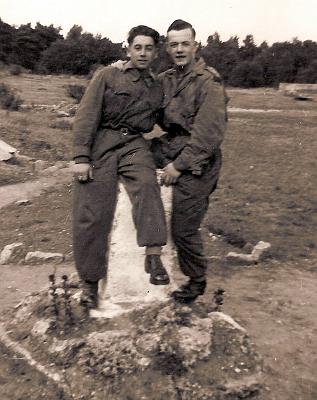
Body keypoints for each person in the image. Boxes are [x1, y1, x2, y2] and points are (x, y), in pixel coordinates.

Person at [72, 25, 170, 310]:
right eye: (137, 47)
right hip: (102, 141)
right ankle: (89, 283)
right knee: (91, 211)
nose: (142, 53)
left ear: (155, 52)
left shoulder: (156, 86)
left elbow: (163, 118)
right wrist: (81, 157)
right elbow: (86, 116)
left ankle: (153, 256)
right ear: (127, 49)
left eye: (149, 48)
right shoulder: (107, 75)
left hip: (134, 144)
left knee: (147, 184)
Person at [151, 19, 228, 303]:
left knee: (183, 227)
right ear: (167, 48)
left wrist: (177, 167)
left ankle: (196, 280)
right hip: (170, 144)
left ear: (196, 45)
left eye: (185, 43)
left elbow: (208, 137)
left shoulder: (209, 82)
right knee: (128, 152)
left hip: (198, 161)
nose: (180, 49)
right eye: (174, 45)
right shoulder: (166, 78)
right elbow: (143, 98)